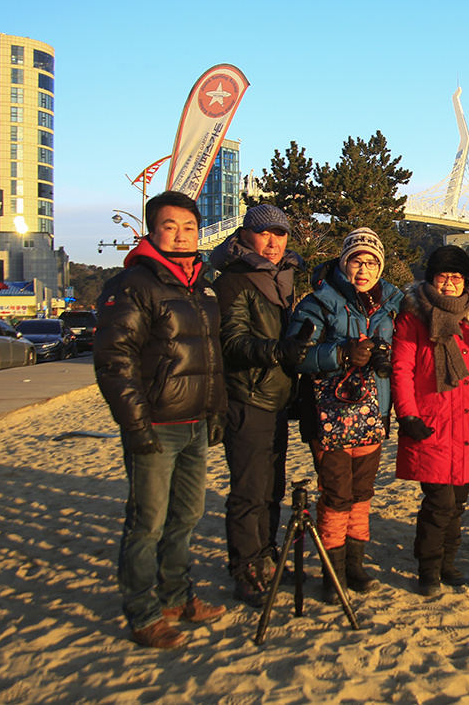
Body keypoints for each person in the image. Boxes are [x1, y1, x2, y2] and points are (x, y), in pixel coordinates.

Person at [94, 190, 227, 649]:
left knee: (186, 516)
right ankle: (143, 613)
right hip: (156, 425)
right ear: (151, 231)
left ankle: (175, 597)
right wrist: (135, 425)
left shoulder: (201, 285)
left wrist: (215, 410)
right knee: (147, 522)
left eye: (189, 227)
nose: (181, 235)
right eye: (170, 227)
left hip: (195, 423)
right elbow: (115, 361)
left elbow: (211, 356)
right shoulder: (134, 284)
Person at [288, 227, 403, 603]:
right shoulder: (318, 303)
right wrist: (340, 353)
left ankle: (354, 565)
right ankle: (332, 573)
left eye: (371, 262)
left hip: (373, 414)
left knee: (362, 494)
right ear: (343, 262)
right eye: (356, 260)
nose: (363, 269)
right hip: (329, 417)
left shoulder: (390, 304)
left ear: (380, 267)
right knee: (336, 495)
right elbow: (296, 354)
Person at [209, 204, 312, 608]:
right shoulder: (234, 281)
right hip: (247, 397)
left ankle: (267, 558)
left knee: (272, 488)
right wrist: (279, 350)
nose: (273, 242)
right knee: (248, 491)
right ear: (245, 236)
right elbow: (232, 343)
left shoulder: (281, 277)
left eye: (280, 234)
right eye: (264, 233)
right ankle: (245, 569)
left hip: (277, 397)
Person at [391, 246, 469, 597]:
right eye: (442, 276)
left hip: (467, 425)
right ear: (431, 279)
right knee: (439, 503)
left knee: (458, 503)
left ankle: (448, 562)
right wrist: (408, 414)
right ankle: (429, 568)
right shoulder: (413, 318)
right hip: (431, 423)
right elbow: (401, 369)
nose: (449, 284)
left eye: (456, 277)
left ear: (466, 282)